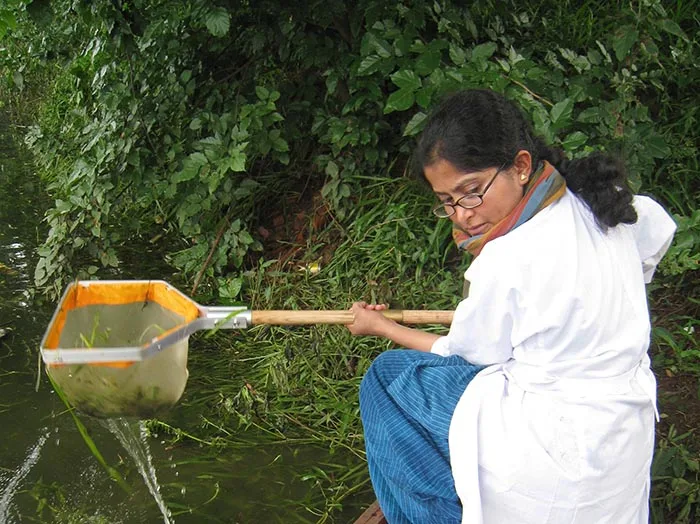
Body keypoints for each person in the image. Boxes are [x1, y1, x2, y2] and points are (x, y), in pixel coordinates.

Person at [347, 89, 677, 524]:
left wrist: (382, 327)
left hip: (554, 450)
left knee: (386, 380)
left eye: (470, 191)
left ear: (520, 167)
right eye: (447, 201)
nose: (463, 214)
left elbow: (463, 356)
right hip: (621, 434)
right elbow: (658, 231)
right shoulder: (606, 203)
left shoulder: (507, 257)